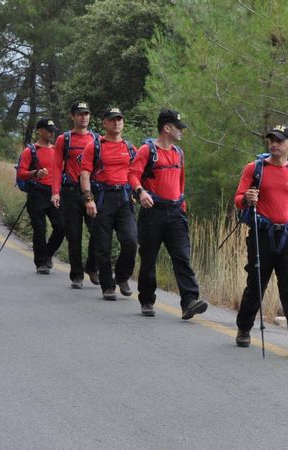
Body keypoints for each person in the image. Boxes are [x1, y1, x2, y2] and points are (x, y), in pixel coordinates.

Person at [233, 124, 288, 360]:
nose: (274, 144)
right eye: (271, 140)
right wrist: (246, 198)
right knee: (256, 285)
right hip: (261, 235)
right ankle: (244, 328)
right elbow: (238, 199)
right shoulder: (255, 169)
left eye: (280, 140)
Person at [129, 109, 207, 319]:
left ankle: (189, 301)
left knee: (182, 257)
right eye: (178, 127)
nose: (182, 131)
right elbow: (133, 175)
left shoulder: (178, 153)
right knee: (148, 259)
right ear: (167, 128)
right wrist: (141, 192)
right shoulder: (147, 151)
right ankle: (147, 300)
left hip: (175, 213)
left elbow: (181, 183)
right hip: (152, 212)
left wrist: (181, 207)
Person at [79, 107, 137, 301]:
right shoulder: (95, 146)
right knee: (102, 247)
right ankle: (107, 286)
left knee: (130, 241)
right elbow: (84, 174)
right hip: (103, 199)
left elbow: (138, 173)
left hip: (125, 199)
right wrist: (89, 200)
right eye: (112, 119)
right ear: (104, 123)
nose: (116, 122)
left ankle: (121, 277)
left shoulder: (130, 148)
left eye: (119, 119)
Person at [52, 101, 100, 288]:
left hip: (91, 192)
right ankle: (77, 274)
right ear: (73, 116)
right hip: (70, 192)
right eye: (80, 114)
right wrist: (55, 193)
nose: (84, 117)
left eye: (86, 114)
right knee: (74, 235)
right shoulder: (64, 139)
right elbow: (56, 167)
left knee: (98, 230)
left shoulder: (97, 139)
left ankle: (92, 266)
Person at [16, 118, 66, 274]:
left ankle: (48, 253)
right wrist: (35, 173)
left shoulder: (57, 150)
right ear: (39, 131)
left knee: (61, 226)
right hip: (36, 193)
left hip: (54, 193)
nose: (52, 133)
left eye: (53, 130)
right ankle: (41, 263)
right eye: (48, 130)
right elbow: (21, 173)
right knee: (39, 229)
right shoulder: (30, 151)